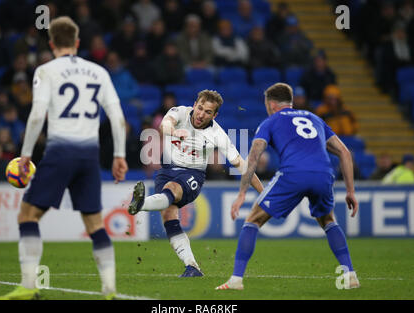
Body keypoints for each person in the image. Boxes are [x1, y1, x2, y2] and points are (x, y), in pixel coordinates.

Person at [0, 16, 128, 300]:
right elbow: (117, 117)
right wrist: (119, 155)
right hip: (89, 155)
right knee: (95, 224)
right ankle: (110, 291)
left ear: (52, 43)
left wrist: (25, 155)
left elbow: (36, 115)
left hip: (60, 151)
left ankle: (29, 286)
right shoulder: (99, 72)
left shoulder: (46, 71)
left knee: (28, 215)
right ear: (78, 43)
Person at [216, 83, 359, 290]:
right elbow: (345, 152)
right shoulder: (315, 119)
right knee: (328, 220)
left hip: (294, 173)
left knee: (253, 220)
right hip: (323, 174)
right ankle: (351, 275)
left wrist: (241, 194)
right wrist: (350, 191)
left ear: (271, 104)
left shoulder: (271, 121)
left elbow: (254, 157)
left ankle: (236, 280)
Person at [127, 90, 264, 277]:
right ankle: (192, 266)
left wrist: (264, 193)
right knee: (169, 216)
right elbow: (164, 125)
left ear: (215, 115)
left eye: (208, 112)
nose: (201, 114)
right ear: (194, 105)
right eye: (200, 108)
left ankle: (141, 204)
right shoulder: (180, 112)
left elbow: (242, 165)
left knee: (171, 190)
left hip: (193, 174)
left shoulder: (218, 134)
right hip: (166, 170)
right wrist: (175, 131)